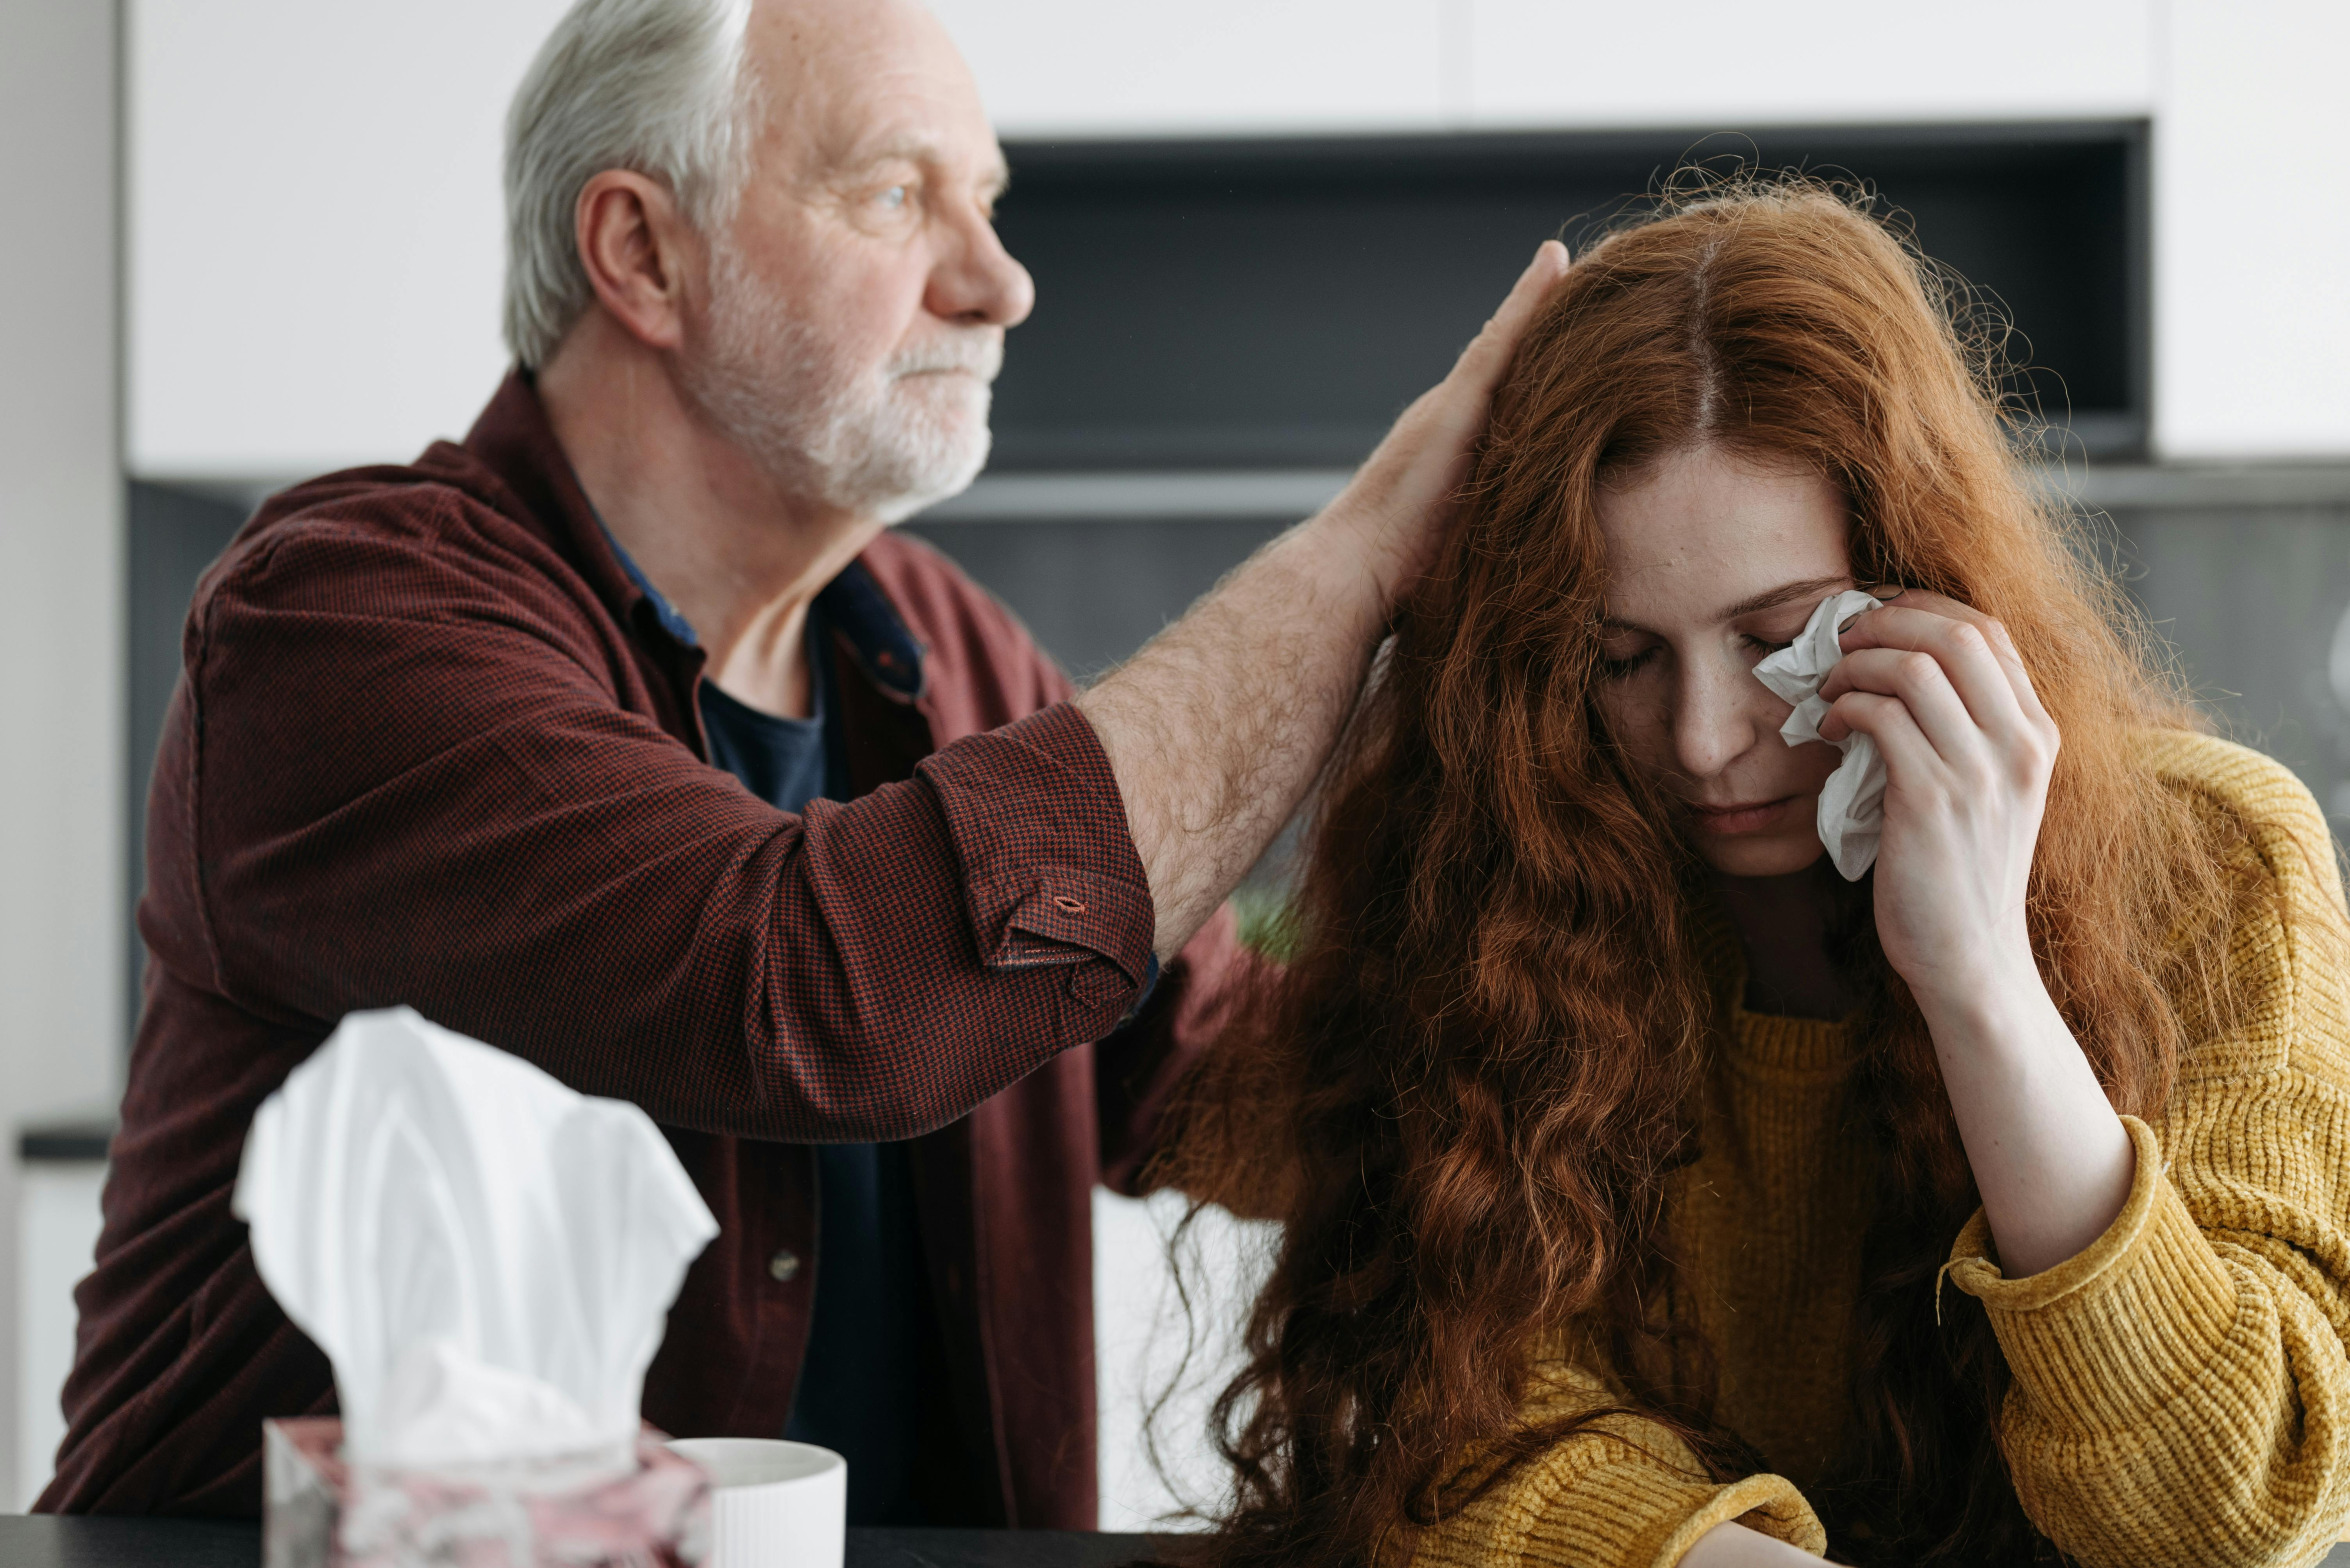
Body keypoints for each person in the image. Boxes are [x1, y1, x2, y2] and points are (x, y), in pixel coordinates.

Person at [37, 0, 1570, 1526]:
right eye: (898, 195)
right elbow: (804, 985)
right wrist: (1356, 562)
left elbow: (1217, 1079)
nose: (1000, 282)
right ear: (642, 253)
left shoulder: (947, 654)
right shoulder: (342, 618)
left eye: (988, 201)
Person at [1171, 180, 2350, 1568]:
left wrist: (1976, 974)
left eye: (1778, 639)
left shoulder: (2211, 863)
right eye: (1618, 656)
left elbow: (2215, 1520)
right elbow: (1457, 1441)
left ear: (1926, 586)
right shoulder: (1511, 873)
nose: (1702, 741)